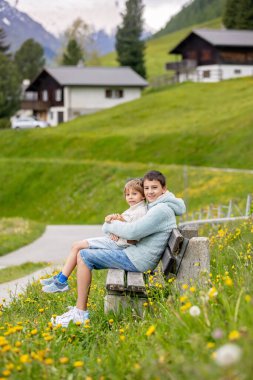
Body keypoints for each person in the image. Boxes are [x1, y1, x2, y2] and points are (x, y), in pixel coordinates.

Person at [51, 170, 186, 327]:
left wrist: (111, 225)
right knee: (82, 252)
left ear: (164, 189)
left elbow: (133, 231)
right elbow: (131, 230)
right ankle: (79, 311)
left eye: (154, 188)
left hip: (138, 260)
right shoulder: (159, 205)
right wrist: (116, 226)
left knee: (84, 256)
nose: (149, 192)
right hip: (135, 254)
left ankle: (80, 313)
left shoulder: (161, 210)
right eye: (147, 188)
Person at [40, 178, 147, 293]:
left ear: (143, 196)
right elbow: (122, 227)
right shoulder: (133, 209)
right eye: (127, 194)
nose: (130, 197)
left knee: (77, 246)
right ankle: (60, 278)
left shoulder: (140, 211)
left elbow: (134, 235)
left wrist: (119, 225)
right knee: (76, 246)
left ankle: (61, 281)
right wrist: (114, 226)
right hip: (114, 242)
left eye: (134, 194)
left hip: (118, 246)